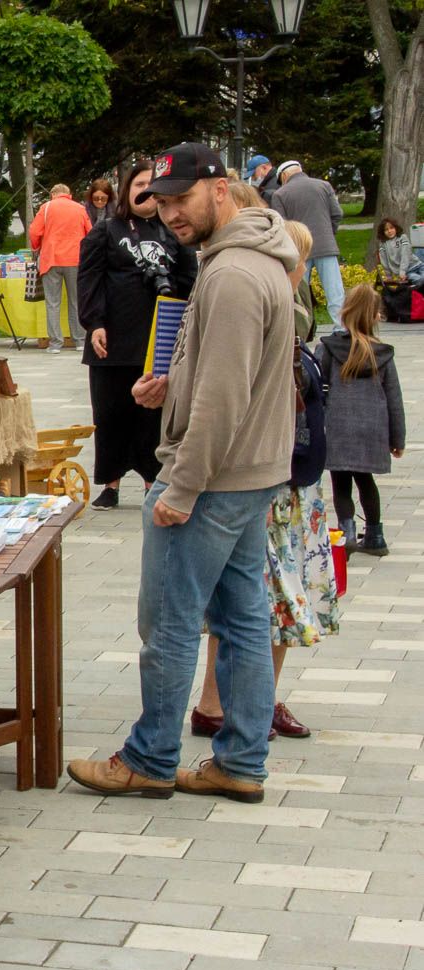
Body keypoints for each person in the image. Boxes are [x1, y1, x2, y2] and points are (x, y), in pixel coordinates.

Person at [67, 141, 298, 804]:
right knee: (243, 621)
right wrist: (176, 385)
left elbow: (225, 396)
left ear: (220, 189)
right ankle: (241, 762)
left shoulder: (230, 275)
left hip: (215, 477)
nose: (170, 213)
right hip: (251, 469)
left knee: (169, 621)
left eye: (182, 199)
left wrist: (183, 486)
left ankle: (150, 757)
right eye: (160, 201)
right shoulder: (254, 257)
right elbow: (235, 372)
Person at [191, 219, 337, 744]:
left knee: (268, 597)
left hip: (295, 479)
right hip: (270, 478)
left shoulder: (291, 310)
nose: (302, 268)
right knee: (264, 597)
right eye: (300, 259)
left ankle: (242, 700)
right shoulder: (269, 305)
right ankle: (233, 703)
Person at [78, 159, 199, 511]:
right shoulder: (106, 230)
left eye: (151, 186)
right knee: (110, 413)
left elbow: (189, 280)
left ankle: (152, 480)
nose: (145, 192)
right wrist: (94, 323)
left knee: (152, 416)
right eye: (139, 185)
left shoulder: (172, 233)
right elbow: (89, 280)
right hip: (112, 339)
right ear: (127, 190)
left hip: (158, 337)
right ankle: (111, 483)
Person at [315, 284, 406, 557]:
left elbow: (316, 386)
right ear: (375, 316)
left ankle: (348, 534)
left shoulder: (329, 349)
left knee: (341, 484)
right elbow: (394, 399)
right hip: (372, 428)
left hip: (339, 427)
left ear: (346, 312)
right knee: (366, 481)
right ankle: (376, 537)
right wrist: (397, 439)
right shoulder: (383, 353)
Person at [269, 160, 344, 324]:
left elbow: (282, 226)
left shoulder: (280, 194)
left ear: (284, 175)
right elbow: (337, 214)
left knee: (298, 293)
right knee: (335, 292)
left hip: (299, 250)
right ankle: (342, 328)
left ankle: (300, 328)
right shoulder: (324, 186)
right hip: (326, 245)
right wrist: (329, 233)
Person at [28, 183, 92, 354]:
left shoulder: (46, 208)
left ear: (53, 194)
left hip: (51, 259)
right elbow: (90, 232)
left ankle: (55, 343)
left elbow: (34, 231)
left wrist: (36, 247)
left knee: (53, 303)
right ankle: (80, 341)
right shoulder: (80, 208)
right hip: (75, 259)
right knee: (76, 301)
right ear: (69, 194)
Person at [376, 217, 423, 286]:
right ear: (383, 232)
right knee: (420, 280)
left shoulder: (403, 237)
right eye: (386, 230)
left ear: (396, 228)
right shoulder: (383, 244)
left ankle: (415, 289)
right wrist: (389, 276)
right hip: (407, 273)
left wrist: (402, 271)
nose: (389, 231)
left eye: (391, 228)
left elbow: (405, 255)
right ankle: (414, 289)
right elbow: (384, 261)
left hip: (418, 266)